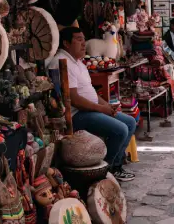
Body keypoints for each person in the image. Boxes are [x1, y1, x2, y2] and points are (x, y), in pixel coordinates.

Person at [52, 27, 137, 182]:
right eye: (78, 39)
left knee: (130, 122)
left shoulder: (78, 62)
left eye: (84, 39)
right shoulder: (62, 61)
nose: (84, 44)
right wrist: (102, 109)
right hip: (77, 114)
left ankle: (116, 166)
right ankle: (105, 170)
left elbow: (91, 93)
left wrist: (108, 106)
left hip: (90, 110)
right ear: (66, 43)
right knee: (120, 129)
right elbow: (74, 100)